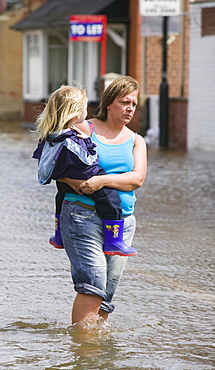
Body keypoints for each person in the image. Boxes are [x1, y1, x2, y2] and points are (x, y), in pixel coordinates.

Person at [55, 76, 147, 326]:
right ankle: (83, 352)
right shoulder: (85, 128)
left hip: (122, 222)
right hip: (81, 214)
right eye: (124, 102)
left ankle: (95, 353)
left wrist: (102, 181)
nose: (130, 108)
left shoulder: (137, 140)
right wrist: (75, 183)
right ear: (109, 103)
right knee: (93, 282)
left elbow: (137, 179)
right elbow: (55, 160)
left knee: (106, 291)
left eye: (134, 104)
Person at [32, 85, 137, 257]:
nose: (86, 111)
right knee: (112, 202)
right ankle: (114, 241)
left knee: (60, 197)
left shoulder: (53, 134)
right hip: (85, 177)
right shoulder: (74, 136)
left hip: (67, 183)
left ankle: (59, 234)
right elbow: (88, 160)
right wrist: (89, 143)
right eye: (83, 107)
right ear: (75, 112)